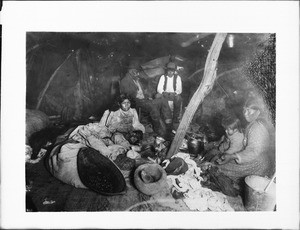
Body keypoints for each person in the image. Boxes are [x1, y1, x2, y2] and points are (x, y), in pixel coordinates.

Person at [215, 97, 275, 184]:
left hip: (258, 164)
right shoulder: (254, 123)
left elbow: (253, 151)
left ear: (258, 112)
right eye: (245, 110)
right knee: (223, 162)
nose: (245, 114)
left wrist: (233, 156)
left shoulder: (257, 128)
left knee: (220, 167)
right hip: (254, 158)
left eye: (249, 111)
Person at [120, 61, 173, 139]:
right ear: (129, 71)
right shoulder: (125, 81)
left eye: (136, 70)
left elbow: (144, 92)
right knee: (153, 107)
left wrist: (148, 96)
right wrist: (139, 94)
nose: (136, 72)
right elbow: (129, 97)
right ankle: (158, 130)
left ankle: (168, 123)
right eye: (134, 70)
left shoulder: (136, 79)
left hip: (144, 100)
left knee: (163, 100)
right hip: (136, 102)